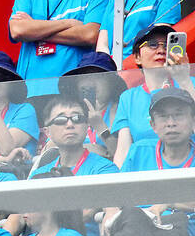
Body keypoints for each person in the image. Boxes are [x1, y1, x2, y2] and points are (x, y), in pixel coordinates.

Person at [104, 88, 195, 236]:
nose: (171, 123)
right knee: (129, 224)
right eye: (163, 117)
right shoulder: (139, 151)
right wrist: (110, 212)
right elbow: (115, 192)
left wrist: (171, 203)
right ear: (152, 125)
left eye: (178, 115)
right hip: (141, 230)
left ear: (193, 121)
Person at [111, 24, 195, 167]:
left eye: (167, 46)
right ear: (137, 57)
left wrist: (184, 80)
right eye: (153, 45)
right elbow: (123, 150)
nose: (161, 51)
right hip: (146, 177)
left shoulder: (191, 83)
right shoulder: (129, 97)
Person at [57, 51, 126, 157]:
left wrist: (100, 127)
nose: (89, 83)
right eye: (84, 77)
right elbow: (50, 150)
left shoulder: (121, 109)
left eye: (98, 76)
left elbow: (123, 156)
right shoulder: (69, 111)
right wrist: (85, 150)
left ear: (111, 83)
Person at [30, 95, 119, 177]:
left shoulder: (105, 170)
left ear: (87, 125)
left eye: (77, 118)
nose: (70, 124)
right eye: (61, 120)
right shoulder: (39, 175)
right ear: (47, 132)